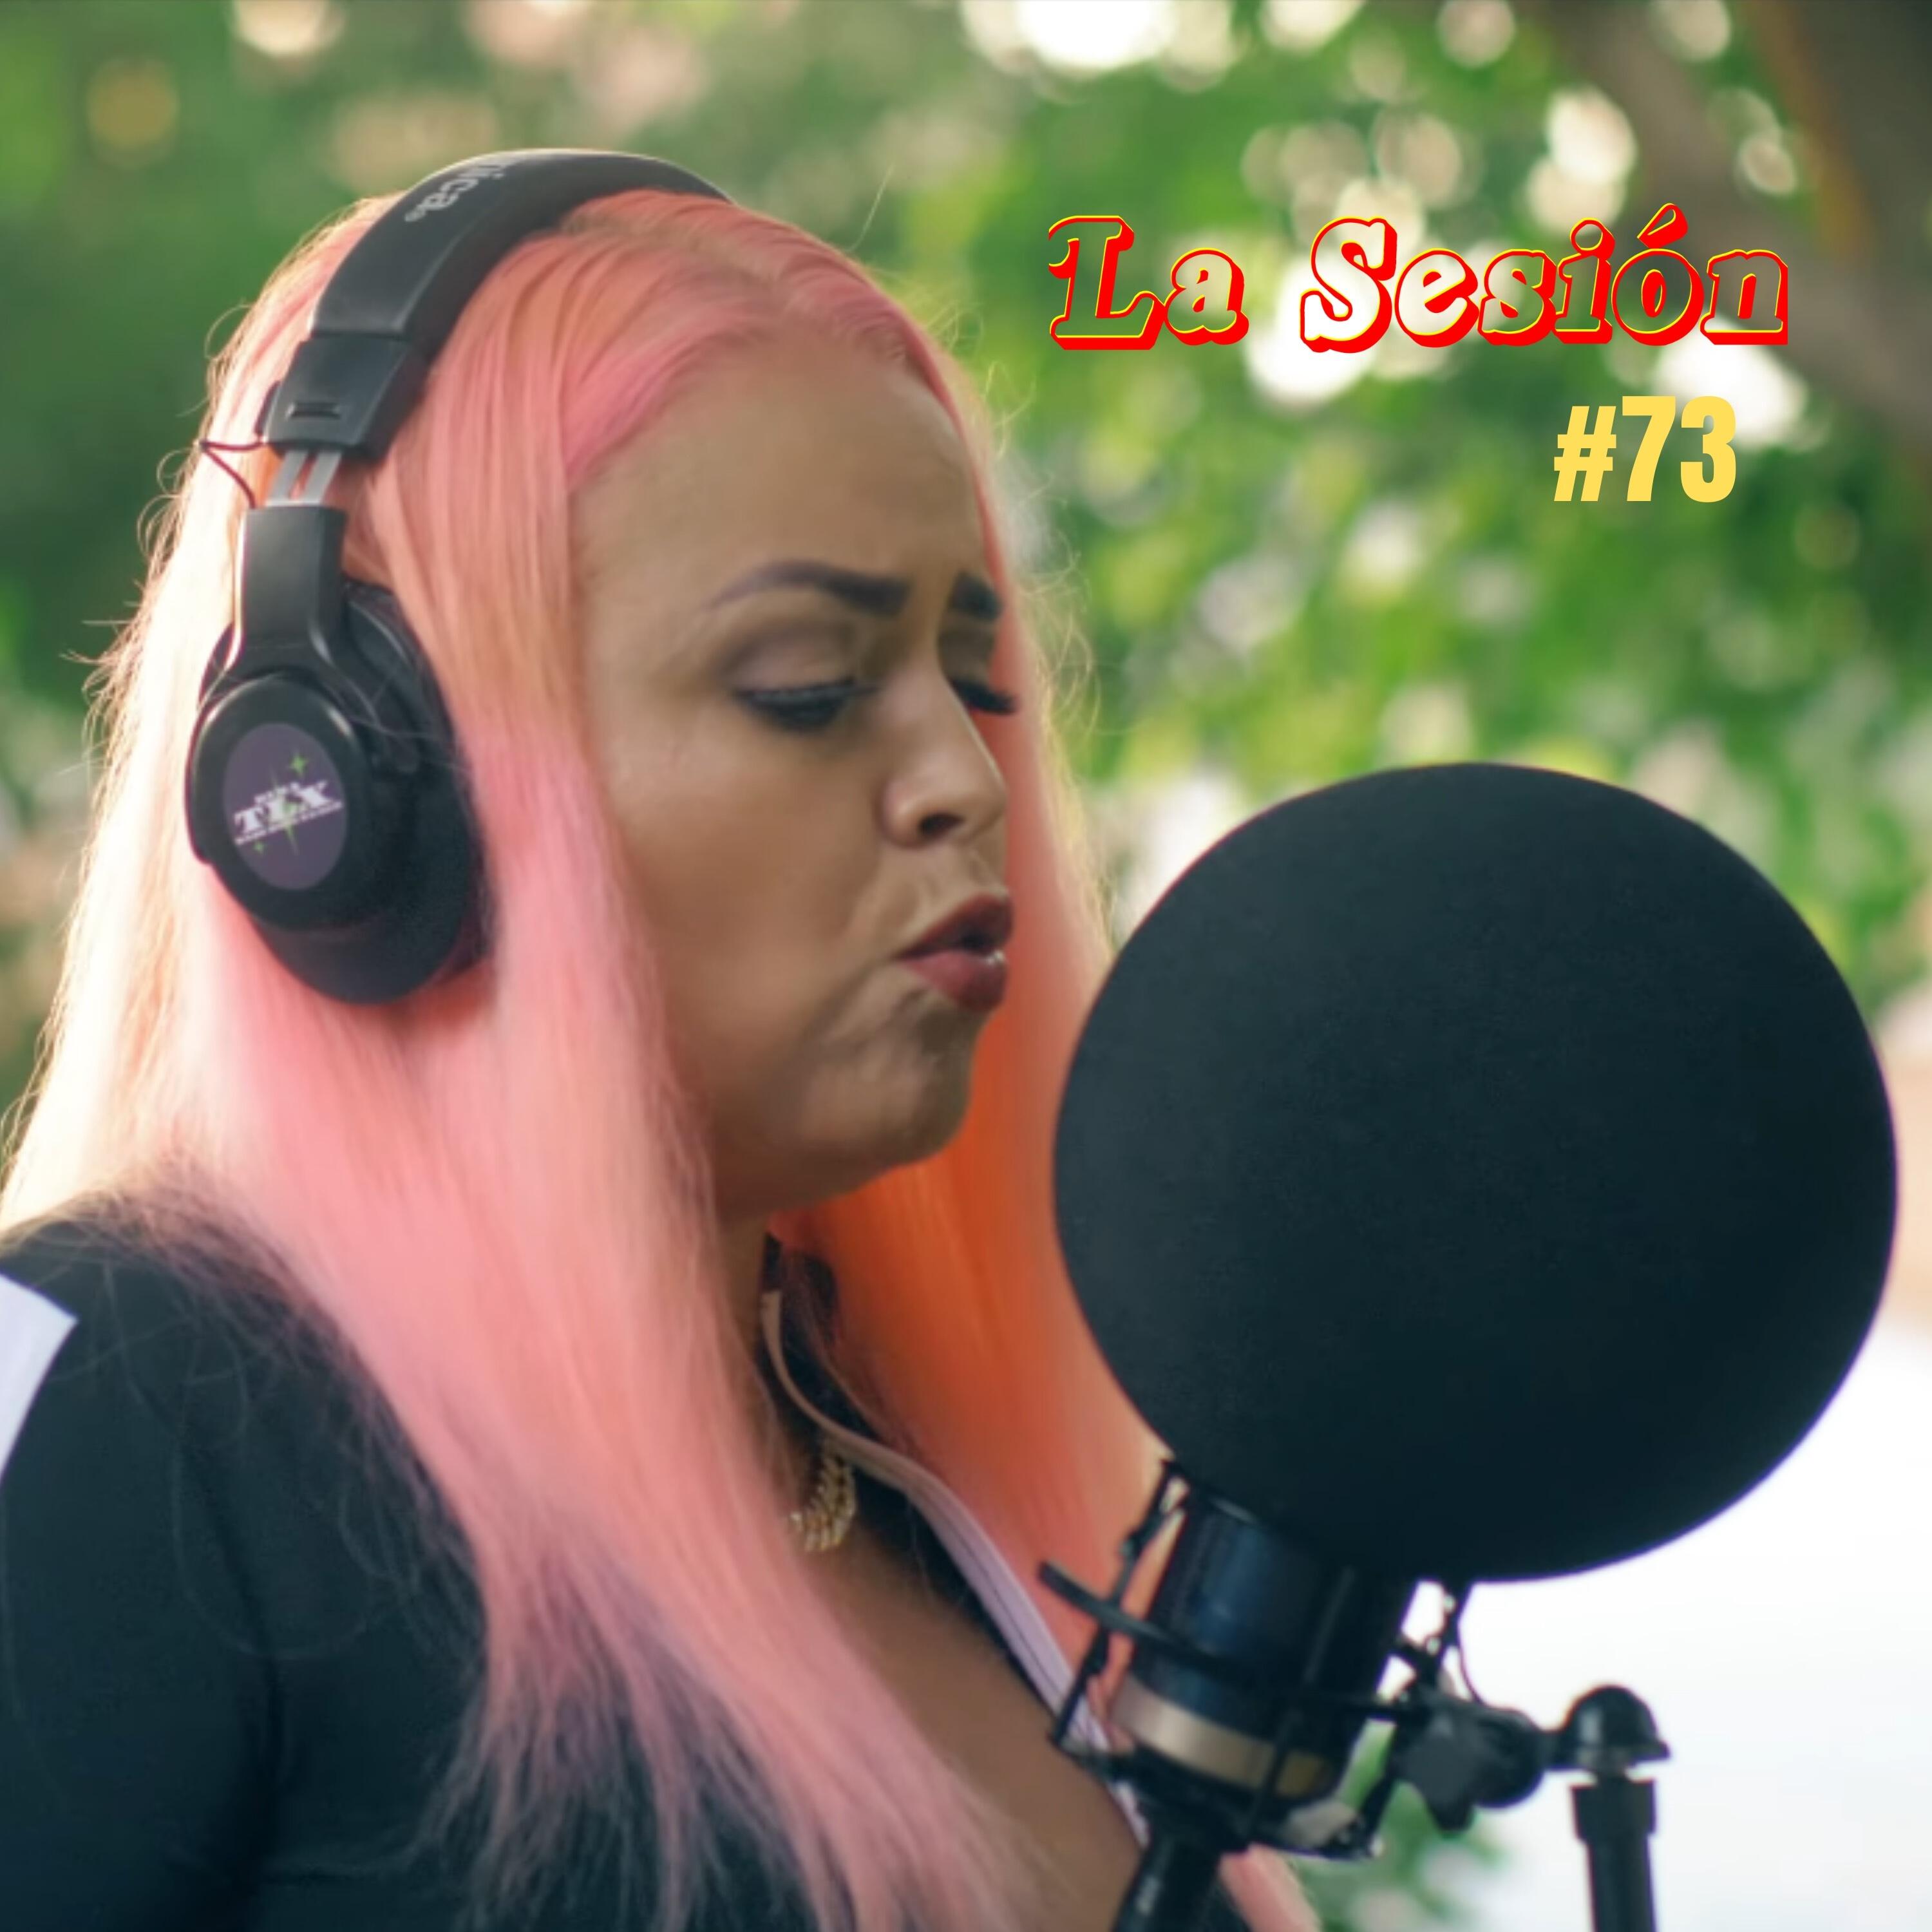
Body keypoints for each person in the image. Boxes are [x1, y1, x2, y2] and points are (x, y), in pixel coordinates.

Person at [0, 153, 1315, 1932]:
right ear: (366, 787)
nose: (963, 778)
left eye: (974, 679)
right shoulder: (116, 1390)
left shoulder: (902, 1490)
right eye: (808, 688)